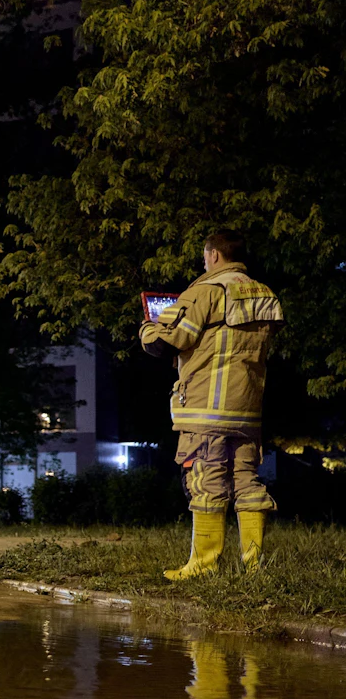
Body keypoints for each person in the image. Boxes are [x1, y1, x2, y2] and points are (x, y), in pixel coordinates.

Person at [140, 229, 283, 579]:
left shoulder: (205, 290)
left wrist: (148, 328)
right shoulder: (263, 294)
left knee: (206, 481)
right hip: (247, 410)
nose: (203, 262)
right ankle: (255, 567)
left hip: (206, 409)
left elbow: (171, 339)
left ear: (214, 255)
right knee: (247, 481)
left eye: (205, 256)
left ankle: (203, 565)